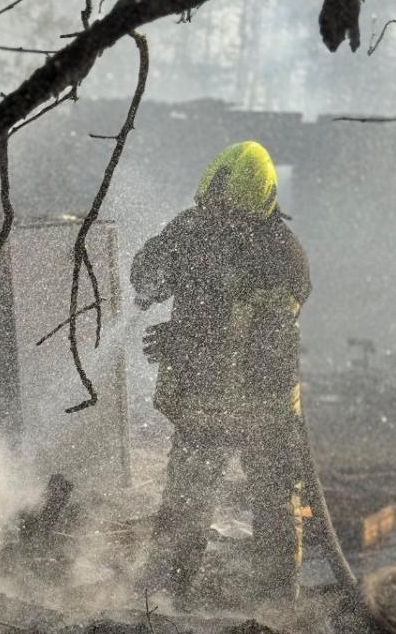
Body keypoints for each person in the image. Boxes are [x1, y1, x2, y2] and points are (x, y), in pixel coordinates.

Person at [131, 141, 311, 603]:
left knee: (273, 515)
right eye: (216, 212)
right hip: (203, 406)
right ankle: (163, 604)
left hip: (263, 413)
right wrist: (155, 271)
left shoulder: (282, 258)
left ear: (259, 209)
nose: (224, 224)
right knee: (183, 510)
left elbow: (260, 346)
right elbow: (147, 274)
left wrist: (185, 340)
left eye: (234, 217)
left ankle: (276, 617)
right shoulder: (195, 230)